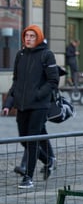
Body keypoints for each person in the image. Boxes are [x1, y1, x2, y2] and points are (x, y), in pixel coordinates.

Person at [2, 25, 60, 189]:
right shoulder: (20, 55)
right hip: (22, 105)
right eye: (26, 36)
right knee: (24, 140)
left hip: (39, 106)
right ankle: (48, 159)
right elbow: (16, 81)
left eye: (32, 36)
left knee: (32, 140)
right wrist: (8, 104)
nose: (28, 39)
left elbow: (53, 81)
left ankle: (28, 177)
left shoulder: (47, 55)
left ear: (39, 38)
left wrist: (38, 94)